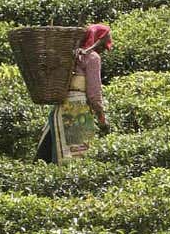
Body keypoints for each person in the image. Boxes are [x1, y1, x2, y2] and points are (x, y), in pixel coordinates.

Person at [37, 24, 113, 161]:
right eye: (103, 46)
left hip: (59, 110)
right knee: (77, 158)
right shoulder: (93, 58)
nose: (102, 50)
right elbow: (94, 94)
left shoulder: (70, 55)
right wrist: (102, 118)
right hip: (78, 110)